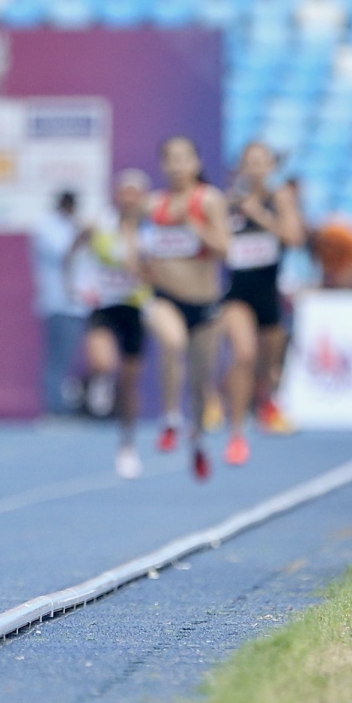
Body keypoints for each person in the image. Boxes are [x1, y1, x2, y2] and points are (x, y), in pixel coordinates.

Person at [140, 136, 230, 480]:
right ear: (163, 165)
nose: (177, 166)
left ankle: (199, 444)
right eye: (171, 159)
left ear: (196, 163)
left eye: (184, 158)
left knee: (201, 382)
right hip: (166, 298)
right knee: (172, 342)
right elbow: (138, 249)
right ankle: (169, 419)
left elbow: (225, 248)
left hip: (205, 303)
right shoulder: (154, 205)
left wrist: (194, 226)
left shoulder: (209, 200)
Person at [214, 142, 306, 464]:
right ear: (241, 167)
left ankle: (265, 398)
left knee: (267, 366)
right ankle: (237, 433)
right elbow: (218, 244)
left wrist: (261, 216)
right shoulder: (229, 201)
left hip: (268, 293)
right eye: (249, 162)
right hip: (237, 294)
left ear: (270, 166)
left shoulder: (279, 197)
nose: (255, 168)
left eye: (261, 162)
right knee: (244, 354)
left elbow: (295, 238)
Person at [72, 169, 151, 479]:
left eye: (135, 193)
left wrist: (133, 246)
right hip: (104, 305)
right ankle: (93, 386)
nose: (129, 198)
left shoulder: (149, 230)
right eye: (124, 191)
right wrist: (71, 283)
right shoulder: (99, 222)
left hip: (133, 307)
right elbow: (74, 247)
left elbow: (149, 274)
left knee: (130, 380)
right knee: (104, 363)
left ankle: (127, 445)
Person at [31, 190, 88, 415]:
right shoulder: (47, 227)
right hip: (58, 303)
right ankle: (55, 408)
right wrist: (81, 234)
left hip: (76, 304)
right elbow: (64, 254)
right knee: (58, 359)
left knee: (68, 357)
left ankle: (60, 405)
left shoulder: (74, 226)